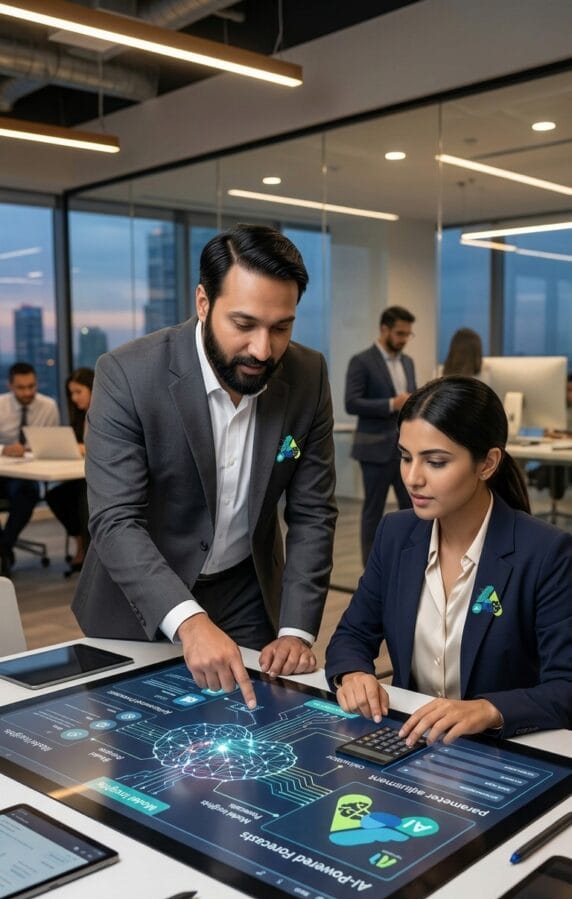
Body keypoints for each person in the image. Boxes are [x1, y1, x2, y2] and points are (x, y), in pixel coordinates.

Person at [73, 224, 338, 709]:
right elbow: (115, 522)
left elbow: (313, 513)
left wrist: (297, 630)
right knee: (136, 751)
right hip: (140, 602)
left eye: (281, 327)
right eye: (244, 324)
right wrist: (189, 622)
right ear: (203, 302)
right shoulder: (128, 374)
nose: (263, 349)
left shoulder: (309, 376)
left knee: (255, 743)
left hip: (246, 593)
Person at [326, 376, 572, 740]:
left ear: (487, 464)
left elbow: (566, 685)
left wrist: (488, 709)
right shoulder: (395, 534)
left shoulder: (546, 552)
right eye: (406, 457)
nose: (412, 478)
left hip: (502, 751)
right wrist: (354, 674)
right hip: (410, 742)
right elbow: (352, 635)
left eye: (436, 462)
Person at [345, 305, 417, 565]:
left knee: (412, 509)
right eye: (399, 333)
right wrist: (390, 404)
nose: (403, 339)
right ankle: (371, 569)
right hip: (374, 449)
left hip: (406, 452)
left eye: (408, 334)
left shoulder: (408, 362)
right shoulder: (362, 361)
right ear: (384, 329)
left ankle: (411, 561)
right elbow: (351, 403)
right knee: (373, 512)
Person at [0, 361, 59, 576]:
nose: (28, 392)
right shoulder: (1, 406)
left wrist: (30, 449)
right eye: (21, 387)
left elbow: (52, 444)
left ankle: (3, 548)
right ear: (10, 386)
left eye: (32, 386)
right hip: (2, 473)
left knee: (28, 493)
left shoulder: (48, 406)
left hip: (27, 474)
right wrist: (4, 449)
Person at [46, 367, 93, 576]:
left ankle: (89, 555)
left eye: (78, 392)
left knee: (84, 497)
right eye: (71, 393)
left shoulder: (106, 414)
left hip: (97, 478)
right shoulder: (79, 417)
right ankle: (80, 541)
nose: (74, 398)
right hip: (81, 475)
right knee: (56, 495)